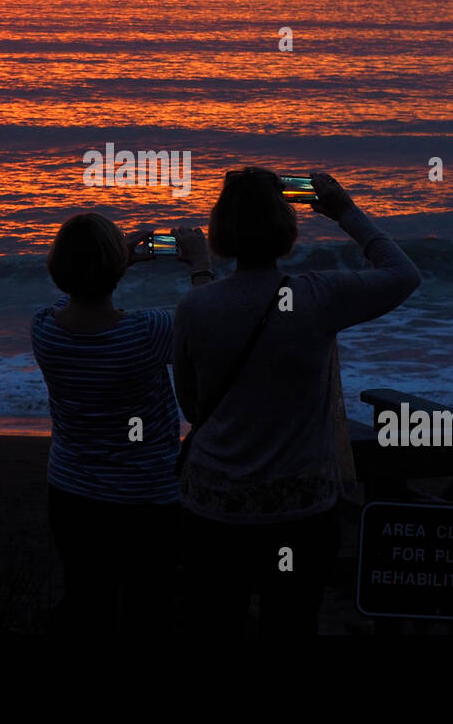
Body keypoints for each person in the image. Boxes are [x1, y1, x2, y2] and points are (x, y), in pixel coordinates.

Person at [174, 168, 420, 636]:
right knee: (292, 624)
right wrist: (344, 211)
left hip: (213, 508)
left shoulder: (195, 307)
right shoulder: (317, 296)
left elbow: (192, 409)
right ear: (286, 229)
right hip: (299, 511)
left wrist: (200, 269)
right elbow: (403, 274)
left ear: (222, 229)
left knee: (214, 627)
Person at [31, 213, 212, 635]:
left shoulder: (44, 328)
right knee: (148, 609)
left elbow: (73, 299)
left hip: (72, 492)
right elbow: (208, 327)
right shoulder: (148, 332)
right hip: (147, 498)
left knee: (88, 603)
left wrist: (115, 265)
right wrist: (201, 265)